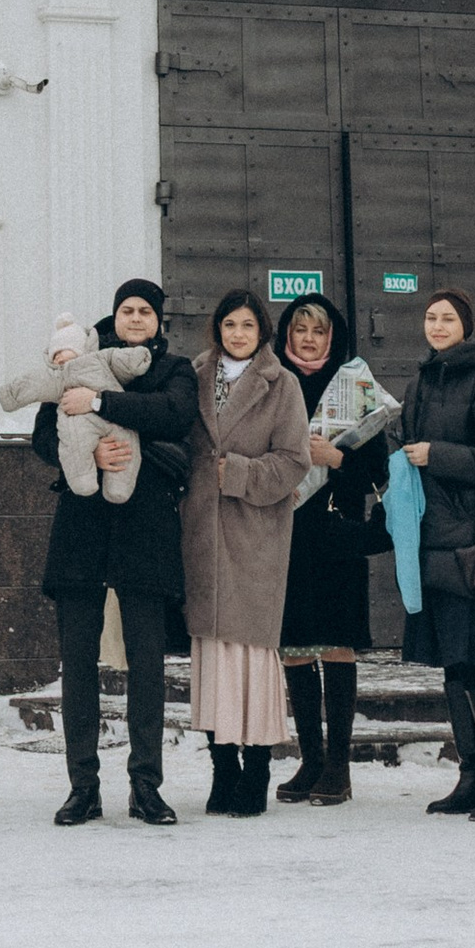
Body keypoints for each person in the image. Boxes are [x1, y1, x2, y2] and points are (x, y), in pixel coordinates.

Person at [33, 273, 197, 828]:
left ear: (157, 322)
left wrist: (102, 403)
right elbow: (42, 434)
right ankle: (82, 786)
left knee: (146, 665)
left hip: (145, 529)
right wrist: (87, 453)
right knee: (77, 664)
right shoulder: (79, 357)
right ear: (113, 315)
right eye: (126, 310)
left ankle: (145, 785)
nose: (134, 319)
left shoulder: (174, 370)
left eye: (144, 313)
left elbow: (174, 416)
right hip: (82, 528)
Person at [397, 286, 475, 823]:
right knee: (452, 666)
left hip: (473, 545)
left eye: (448, 318)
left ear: (466, 326)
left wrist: (436, 455)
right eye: (431, 317)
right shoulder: (421, 379)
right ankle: (472, 775)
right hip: (432, 541)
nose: (438, 325)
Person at [184, 288, 313, 814]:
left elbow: (294, 461)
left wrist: (235, 473)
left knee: (251, 658)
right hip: (201, 532)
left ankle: (256, 769)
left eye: (247, 326)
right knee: (212, 656)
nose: (238, 334)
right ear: (217, 329)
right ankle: (222, 770)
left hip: (255, 532)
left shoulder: (281, 385)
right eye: (229, 324)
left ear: (263, 332)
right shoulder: (193, 377)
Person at [271, 292, 393, 804]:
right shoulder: (273, 382)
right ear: (286, 334)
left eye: (318, 330)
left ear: (332, 336)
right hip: (283, 532)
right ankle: (311, 761)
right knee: (295, 648)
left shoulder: (355, 385)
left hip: (337, 530)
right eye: (300, 329)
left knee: (337, 643)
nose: (308, 338)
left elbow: (380, 472)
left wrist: (337, 460)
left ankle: (339, 769)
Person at [2, 312, 152, 497]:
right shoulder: (57, 377)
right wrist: (9, 395)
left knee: (125, 447)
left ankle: (119, 489)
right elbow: (33, 388)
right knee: (75, 443)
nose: (58, 358)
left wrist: (138, 359)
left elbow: (122, 361)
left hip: (119, 432)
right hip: (79, 430)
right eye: (54, 355)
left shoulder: (101, 359)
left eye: (63, 351)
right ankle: (82, 480)